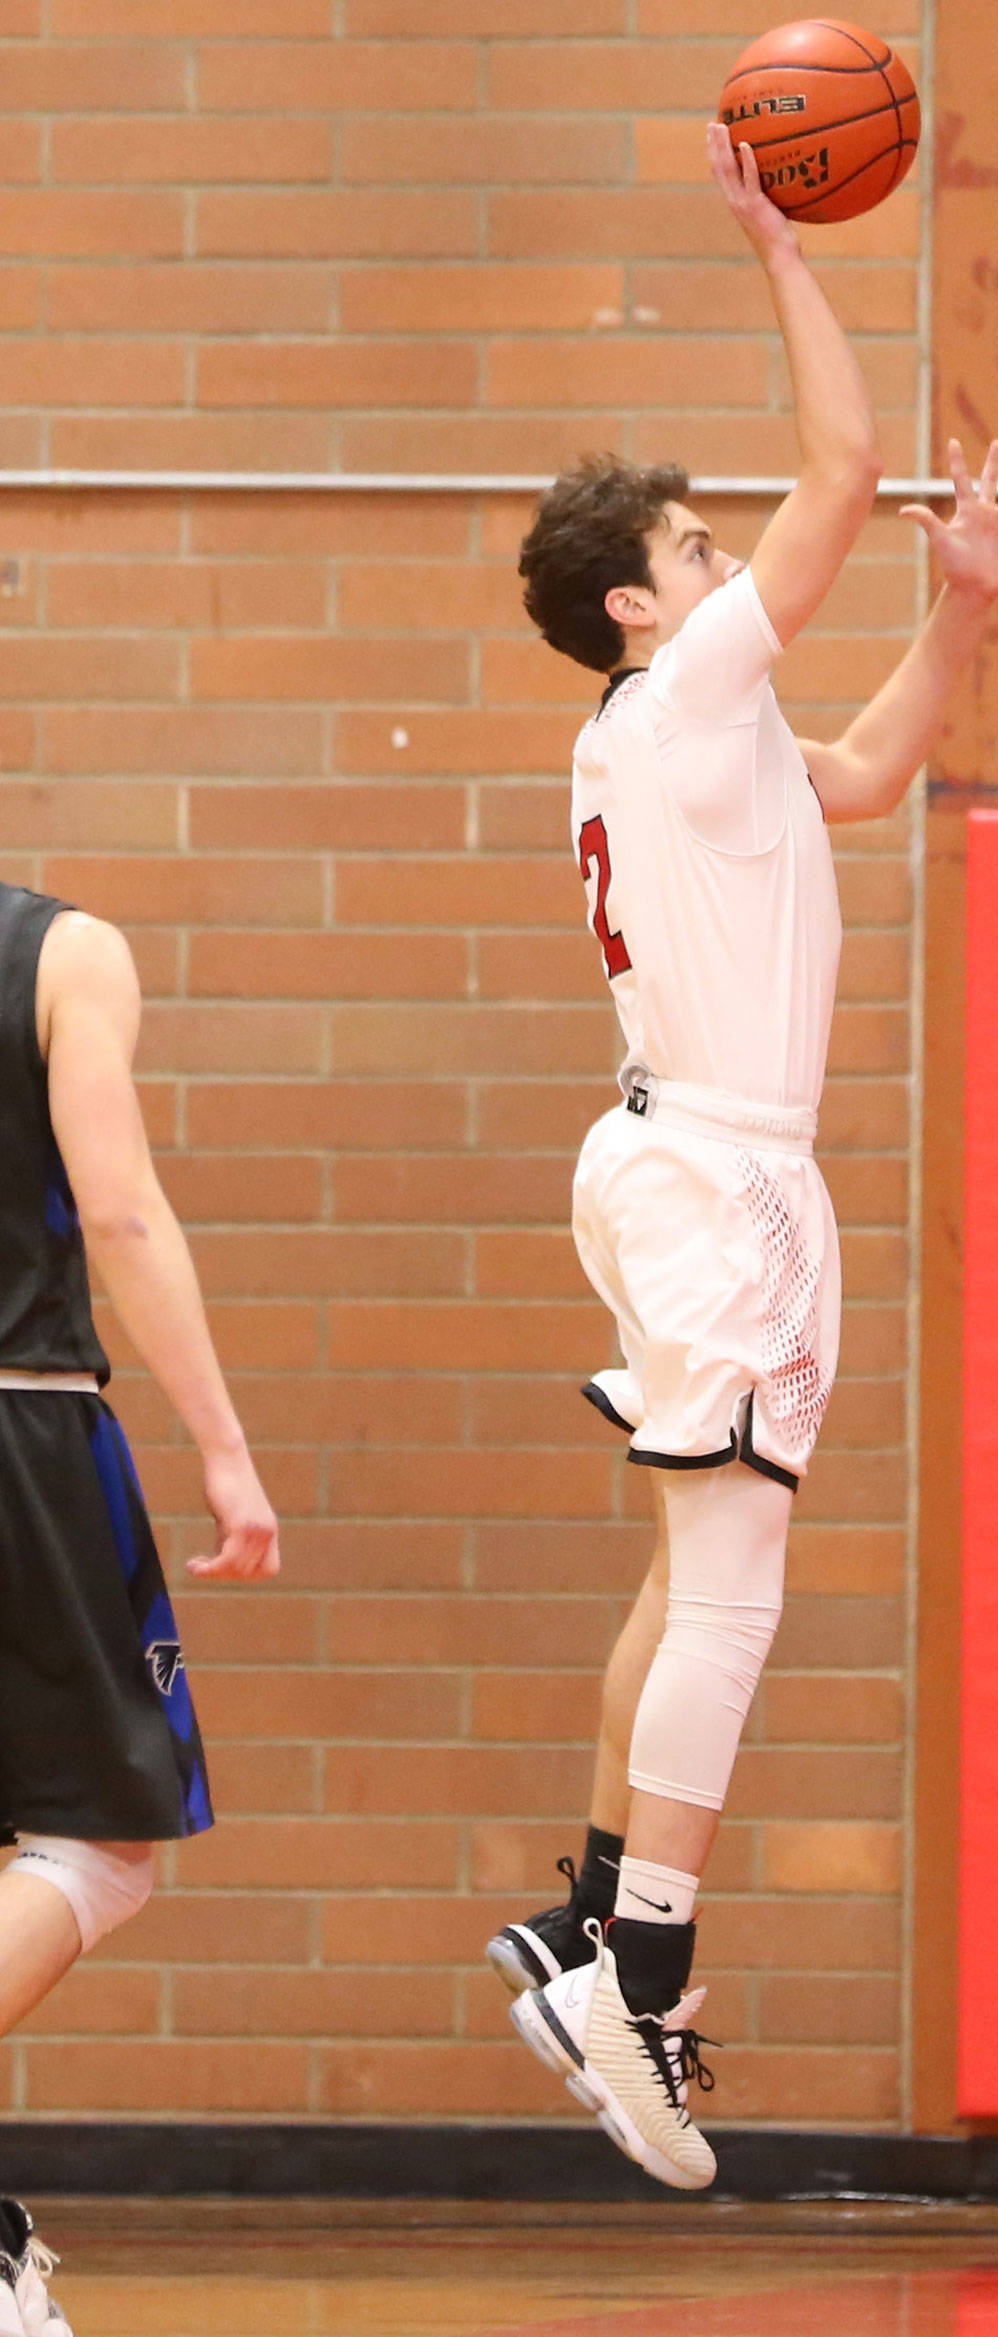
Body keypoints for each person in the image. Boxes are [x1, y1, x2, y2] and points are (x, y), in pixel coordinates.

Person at [488, 123, 998, 2191]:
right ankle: (637, 1974)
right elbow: (843, 469)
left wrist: (963, 605)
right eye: (701, 549)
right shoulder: (673, 697)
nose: (734, 569)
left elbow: (875, 767)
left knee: (691, 1562)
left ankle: (589, 1915)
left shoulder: (691, 742)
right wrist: (780, 247)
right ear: (638, 601)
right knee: (735, 1586)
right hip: (712, 1170)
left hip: (690, 1161)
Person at [0, 885, 279, 2332]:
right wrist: (223, 1445)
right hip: (20, 1430)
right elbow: (117, 1208)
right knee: (97, 1853)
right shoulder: (62, 951)